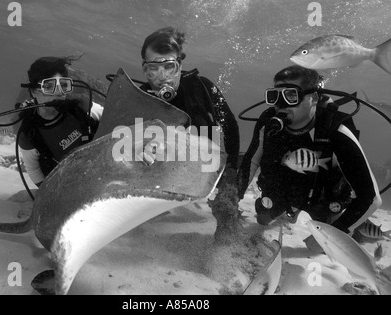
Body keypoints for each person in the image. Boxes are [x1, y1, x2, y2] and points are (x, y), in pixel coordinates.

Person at [237, 65, 382, 251]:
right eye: (275, 97)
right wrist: (233, 198)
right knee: (262, 219)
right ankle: (290, 211)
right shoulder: (268, 123)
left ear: (313, 98)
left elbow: (371, 198)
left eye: (291, 96)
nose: (280, 105)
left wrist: (336, 233)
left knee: (320, 248)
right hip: (282, 193)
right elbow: (252, 161)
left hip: (323, 200)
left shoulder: (336, 131)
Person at [139, 27, 242, 242]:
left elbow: (230, 127)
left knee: (226, 203)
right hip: (163, 170)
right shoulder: (138, 97)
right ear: (144, 69)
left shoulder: (201, 88)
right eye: (153, 69)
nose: (162, 77)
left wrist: (229, 171)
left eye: (169, 67)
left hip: (206, 164)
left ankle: (227, 240)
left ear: (180, 66)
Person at [18, 56, 104, 187]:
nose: (59, 93)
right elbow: (33, 170)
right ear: (33, 91)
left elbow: (114, 118)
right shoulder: (29, 133)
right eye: (49, 86)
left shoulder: (82, 108)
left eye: (64, 85)